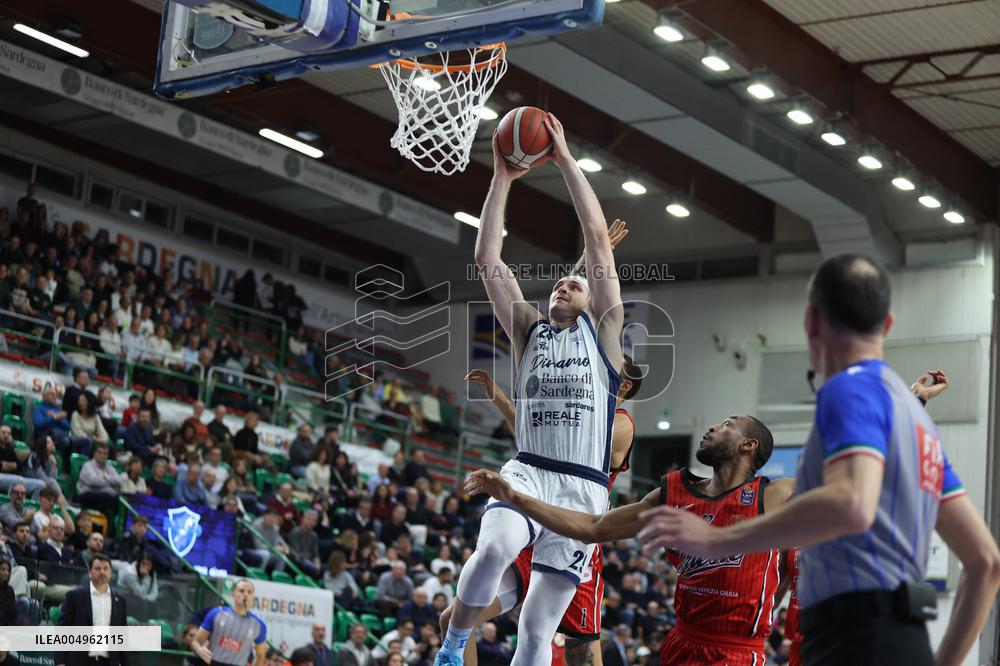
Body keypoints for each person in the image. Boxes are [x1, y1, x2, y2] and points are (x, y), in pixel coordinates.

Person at [637, 254, 1000, 666]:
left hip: (847, 642)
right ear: (887, 324)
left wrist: (715, 539)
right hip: (907, 643)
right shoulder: (916, 424)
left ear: (811, 320)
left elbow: (850, 503)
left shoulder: (848, 388)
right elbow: (986, 562)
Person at [437, 115, 625, 666]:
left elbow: (596, 240)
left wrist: (564, 158)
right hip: (529, 470)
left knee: (538, 632)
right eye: (560, 282)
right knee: (496, 545)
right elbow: (487, 259)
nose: (565, 285)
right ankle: (452, 647)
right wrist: (502, 177)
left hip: (583, 492)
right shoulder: (528, 331)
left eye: (577, 284)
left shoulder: (605, 335)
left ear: (592, 301)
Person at [466, 413, 794, 665]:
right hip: (681, 641)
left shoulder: (773, 495)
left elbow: (826, 489)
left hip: (736, 651)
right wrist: (515, 497)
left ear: (748, 445)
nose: (712, 427)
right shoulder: (674, 493)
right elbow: (593, 527)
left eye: (727, 424)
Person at [55, 554, 129, 666]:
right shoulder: (75, 596)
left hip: (108, 662)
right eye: (98, 568)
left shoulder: (120, 600)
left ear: (110, 573)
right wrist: (60, 662)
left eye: (105, 568)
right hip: (79, 661)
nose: (102, 572)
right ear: (90, 572)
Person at [192, 579, 267, 666]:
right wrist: (199, 650)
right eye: (241, 591)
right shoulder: (216, 614)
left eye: (249, 592)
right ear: (233, 595)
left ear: (253, 598)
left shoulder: (258, 625)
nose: (245, 594)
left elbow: (260, 655)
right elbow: (195, 642)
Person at [0, 424, 46, 499]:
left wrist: (5, 465)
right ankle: (9, 505)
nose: (6, 435)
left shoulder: (9, 449)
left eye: (8, 433)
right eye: (3, 432)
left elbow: (18, 466)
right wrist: (10, 465)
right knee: (17, 480)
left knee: (41, 485)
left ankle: (31, 506)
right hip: (4, 477)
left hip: (13, 477)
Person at [76, 442, 122, 515]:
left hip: (107, 495)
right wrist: (110, 482)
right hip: (87, 494)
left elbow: (119, 481)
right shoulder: (87, 466)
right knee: (104, 497)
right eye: (99, 453)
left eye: (105, 453)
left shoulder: (110, 467)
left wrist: (105, 478)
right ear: (94, 453)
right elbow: (94, 482)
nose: (102, 455)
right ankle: (100, 518)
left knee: (122, 500)